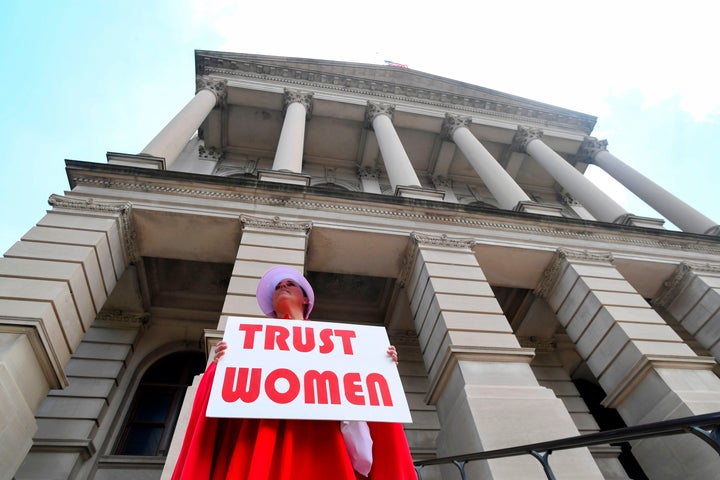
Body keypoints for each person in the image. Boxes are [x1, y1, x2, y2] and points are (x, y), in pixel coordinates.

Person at [171, 265, 417, 480]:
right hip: (265, 433)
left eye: (290, 284)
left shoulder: (336, 342)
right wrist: (221, 365)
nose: (282, 287)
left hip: (322, 435)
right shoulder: (250, 341)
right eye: (277, 286)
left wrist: (381, 363)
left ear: (306, 299)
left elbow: (365, 387)